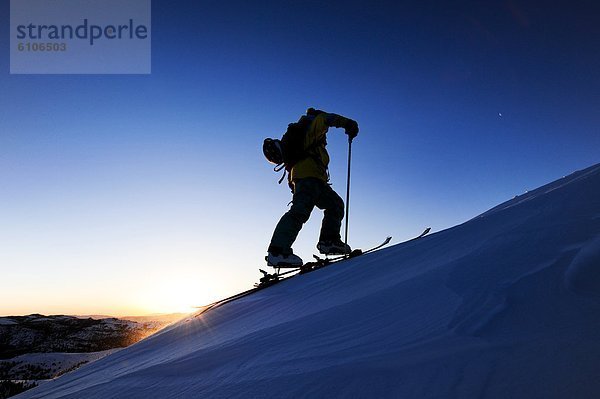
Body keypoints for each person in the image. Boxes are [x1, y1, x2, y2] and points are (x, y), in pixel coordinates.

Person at [266, 108, 359, 267]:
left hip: (312, 179)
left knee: (335, 205)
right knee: (300, 211)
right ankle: (278, 251)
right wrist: (348, 124)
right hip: (309, 178)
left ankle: (329, 241)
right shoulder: (311, 124)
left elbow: (293, 166)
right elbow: (326, 119)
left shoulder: (301, 134)